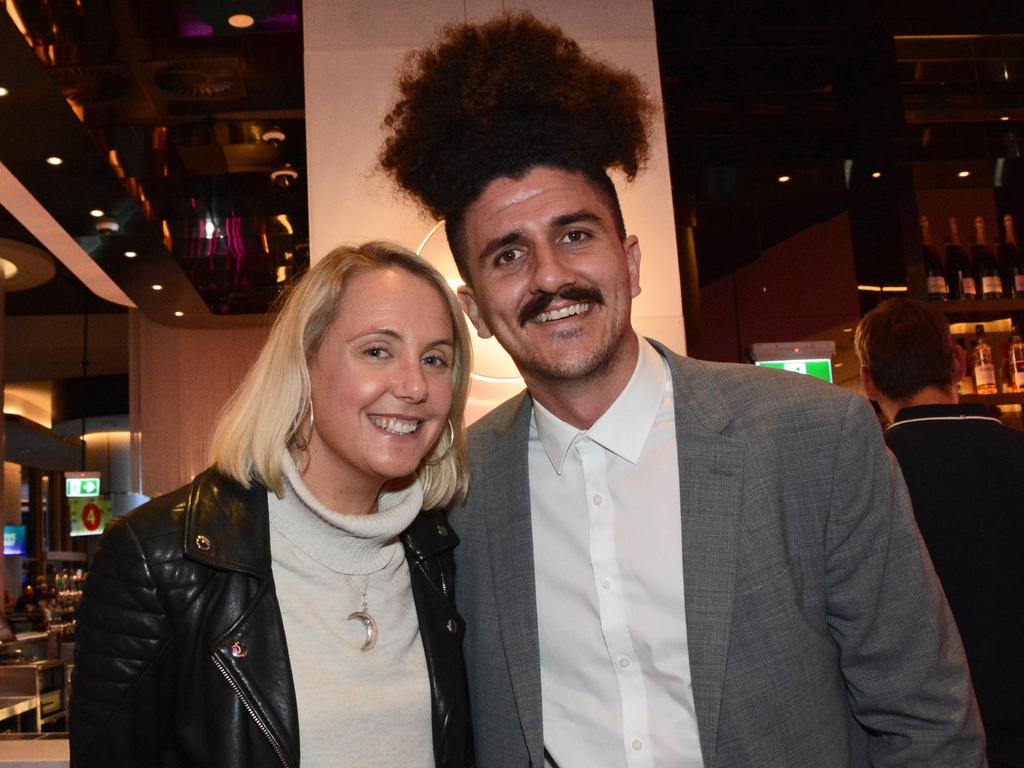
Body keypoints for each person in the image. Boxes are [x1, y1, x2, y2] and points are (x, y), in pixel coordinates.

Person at [379, 12, 985, 768]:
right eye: (507, 255)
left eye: (575, 235)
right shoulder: (456, 487)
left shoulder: (814, 440)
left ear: (630, 261)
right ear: (474, 310)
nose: (550, 277)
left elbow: (926, 721)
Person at [69, 242, 474, 768]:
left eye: (435, 359)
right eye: (377, 350)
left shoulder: (439, 551)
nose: (416, 385)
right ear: (303, 365)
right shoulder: (162, 559)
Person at [856, 297, 1024, 768]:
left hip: (922, 738)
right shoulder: (1015, 452)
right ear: (959, 362)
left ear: (868, 381)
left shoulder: (863, 474)